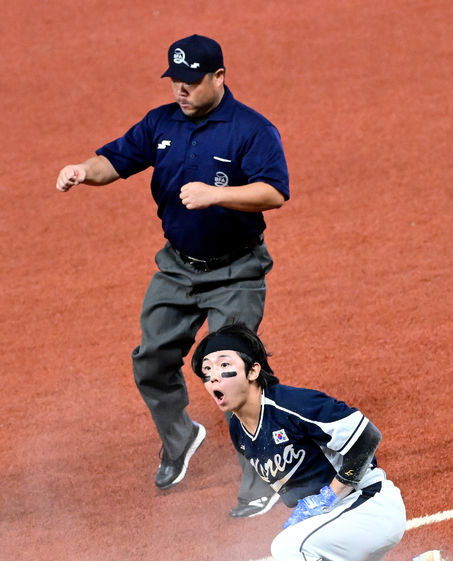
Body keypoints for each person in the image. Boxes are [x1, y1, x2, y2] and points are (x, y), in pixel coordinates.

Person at [56, 35, 289, 517]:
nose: (181, 90)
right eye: (176, 81)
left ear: (219, 77)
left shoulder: (251, 130)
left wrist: (217, 195)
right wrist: (82, 170)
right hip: (178, 265)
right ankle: (180, 438)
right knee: (152, 359)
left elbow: (274, 193)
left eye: (191, 82)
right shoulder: (161, 122)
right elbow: (114, 162)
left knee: (234, 366)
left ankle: (265, 468)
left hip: (237, 270)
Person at [191, 323, 453, 561]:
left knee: (286, 547)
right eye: (206, 374)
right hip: (338, 523)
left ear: (253, 370)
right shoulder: (240, 430)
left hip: (370, 506)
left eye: (223, 368)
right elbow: (294, 483)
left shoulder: (293, 404)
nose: (213, 381)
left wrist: (331, 494)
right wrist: (305, 512)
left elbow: (366, 436)